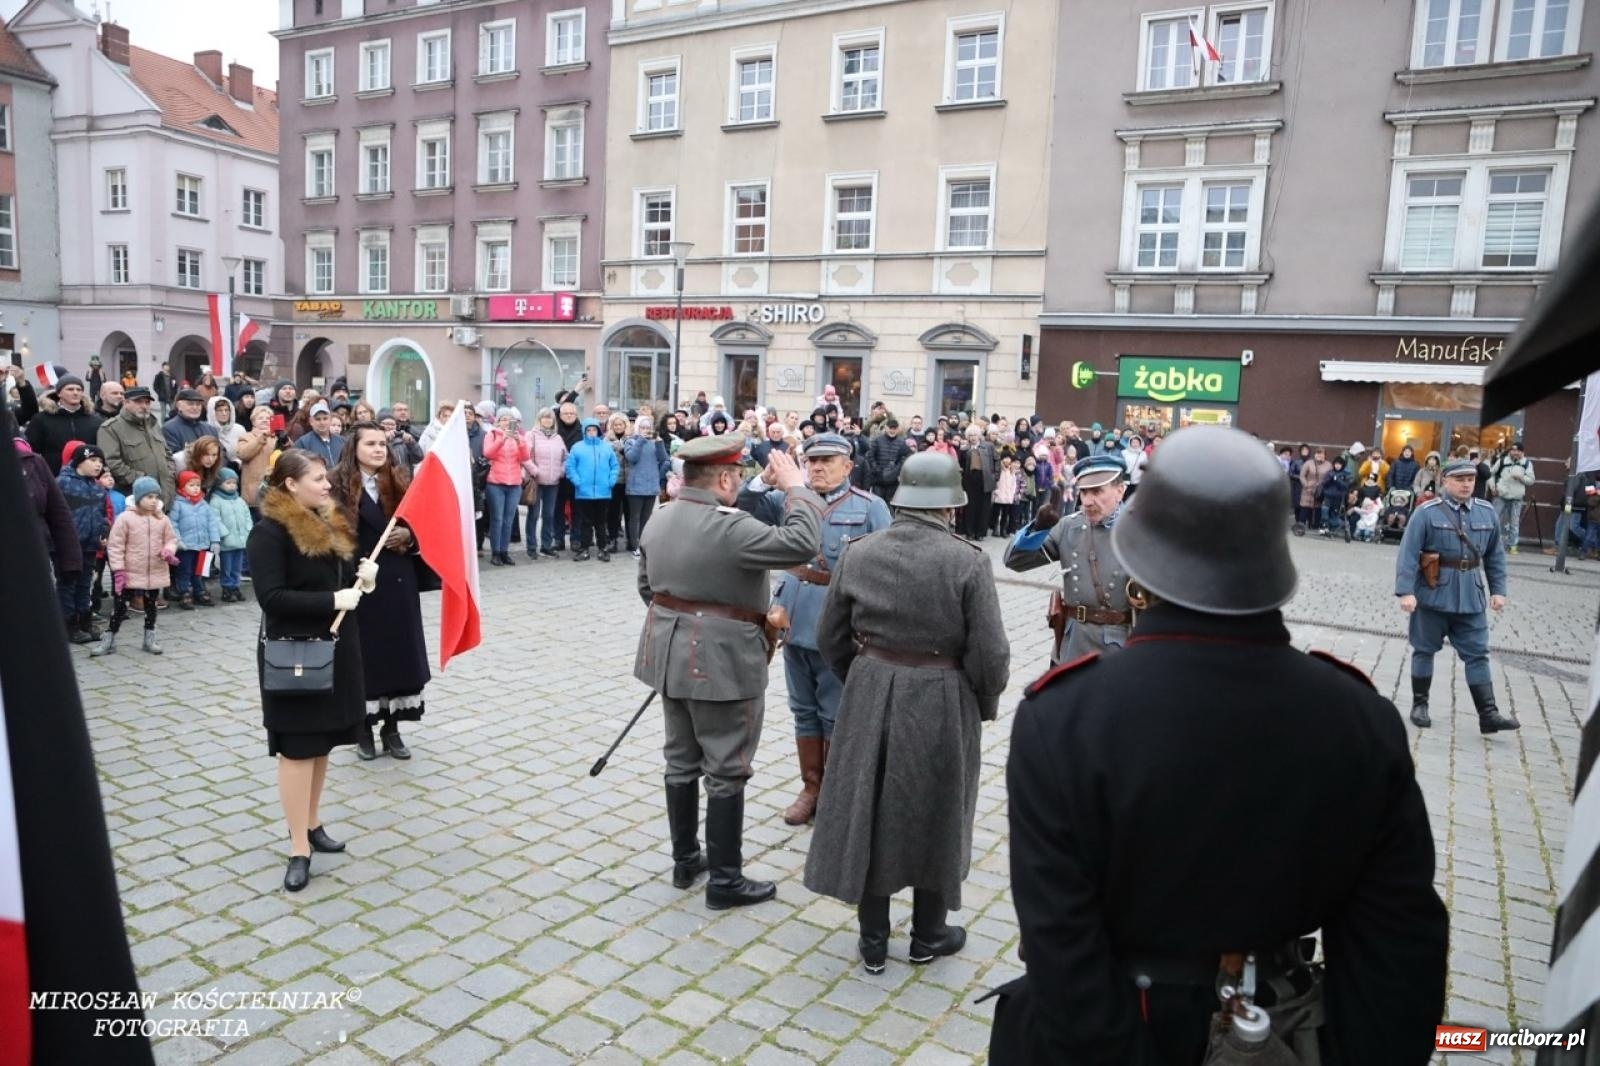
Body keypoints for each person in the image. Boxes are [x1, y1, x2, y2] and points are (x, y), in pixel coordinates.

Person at [988, 425, 1448, 1065]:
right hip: (1278, 1023)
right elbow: (1401, 952)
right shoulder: (1359, 719)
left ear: (1142, 555)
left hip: (1111, 1026)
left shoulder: (1062, 718)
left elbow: (1060, 944)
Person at [803, 452, 1009, 973]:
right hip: (942, 692)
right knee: (938, 809)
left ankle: (873, 940)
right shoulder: (969, 560)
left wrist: (866, 676)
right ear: (952, 506)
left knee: (868, 806)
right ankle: (928, 935)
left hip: (871, 685)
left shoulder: (859, 551)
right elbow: (991, 656)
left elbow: (830, 638)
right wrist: (981, 701)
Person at [635, 438, 822, 909]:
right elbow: (802, 542)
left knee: (680, 759)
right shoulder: (732, 527)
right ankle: (725, 881)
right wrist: (797, 487)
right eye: (737, 475)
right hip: (722, 665)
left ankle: (685, 861)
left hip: (668, 657)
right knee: (726, 769)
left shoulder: (660, 516)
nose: (739, 481)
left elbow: (647, 587)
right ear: (722, 479)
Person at [738, 433, 892, 826]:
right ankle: (811, 787)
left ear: (848, 466)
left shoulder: (870, 507)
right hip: (790, 620)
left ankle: (838, 792)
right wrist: (762, 480)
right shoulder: (789, 499)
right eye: (811, 460)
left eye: (827, 461)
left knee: (835, 713)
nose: (818, 467)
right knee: (803, 710)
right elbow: (741, 511)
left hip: (839, 627)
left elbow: (885, 571)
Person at [248, 449, 377, 892]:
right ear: (290, 484)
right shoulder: (270, 533)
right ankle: (297, 846)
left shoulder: (328, 524)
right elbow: (272, 598)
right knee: (298, 748)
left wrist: (362, 581)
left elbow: (336, 584)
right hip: (295, 654)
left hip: (335, 648)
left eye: (326, 478)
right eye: (318, 479)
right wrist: (331, 601)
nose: (327, 485)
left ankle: (313, 823)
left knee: (321, 744)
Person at [1395, 458, 1517, 733]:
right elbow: (1408, 552)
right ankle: (1420, 705)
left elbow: (1495, 556)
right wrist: (1405, 591)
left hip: (1471, 597)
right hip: (1433, 594)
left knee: (1478, 654)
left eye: (1470, 480)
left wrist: (1498, 590)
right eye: (1460, 479)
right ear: (1445, 481)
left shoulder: (1486, 513)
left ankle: (1488, 714)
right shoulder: (1427, 512)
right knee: (1424, 650)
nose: (1466, 484)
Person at [332, 423, 431, 761]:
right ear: (354, 447)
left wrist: (409, 537)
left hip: (397, 581)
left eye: (382, 444)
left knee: (397, 654)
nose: (378, 450)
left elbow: (423, 523)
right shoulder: (336, 485)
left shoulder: (401, 480)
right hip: (358, 580)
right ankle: (362, 728)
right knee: (363, 656)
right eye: (370, 443)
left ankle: (392, 727)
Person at [1004, 455, 1132, 664]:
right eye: (1083, 492)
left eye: (1097, 491)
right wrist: (1039, 528)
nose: (1088, 501)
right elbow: (1014, 561)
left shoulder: (1142, 530)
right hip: (1074, 643)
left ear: (1120, 490)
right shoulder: (1069, 526)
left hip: (1122, 645)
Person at [96, 476, 176, 656]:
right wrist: (118, 570)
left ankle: (149, 637)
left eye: (156, 497)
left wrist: (168, 551)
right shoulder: (125, 518)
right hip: (130, 573)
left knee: (151, 607)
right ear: (138, 497)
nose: (153, 501)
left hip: (154, 571)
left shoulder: (161, 519)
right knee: (120, 607)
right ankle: (109, 639)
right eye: (149, 497)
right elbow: (115, 546)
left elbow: (171, 539)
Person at [54, 442, 111, 644]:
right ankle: (68, 625)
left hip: (89, 545)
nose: (98, 465)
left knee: (84, 584)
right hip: (68, 546)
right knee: (68, 584)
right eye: (93, 460)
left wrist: (104, 531)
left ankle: (84, 620)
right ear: (79, 461)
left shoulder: (97, 488)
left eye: (101, 462)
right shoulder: (62, 483)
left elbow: (102, 514)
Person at [98, 386, 174, 507]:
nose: (144, 406)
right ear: (126, 402)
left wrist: (169, 476)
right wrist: (142, 480)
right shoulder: (111, 428)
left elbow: (167, 454)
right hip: (134, 499)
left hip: (164, 496)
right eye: (138, 402)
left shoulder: (153, 425)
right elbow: (112, 462)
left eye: (147, 402)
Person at [565, 417, 619, 562]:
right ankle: (584, 549)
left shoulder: (606, 447)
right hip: (584, 492)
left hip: (603, 492)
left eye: (594, 429)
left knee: (601, 522)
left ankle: (603, 549)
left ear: (598, 431)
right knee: (585, 522)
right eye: (588, 430)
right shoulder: (577, 447)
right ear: (584, 431)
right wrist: (577, 481)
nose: (591, 432)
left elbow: (614, 465)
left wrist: (611, 480)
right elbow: (570, 467)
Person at [26, 375, 104, 474]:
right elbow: (32, 450)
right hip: (53, 477)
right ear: (59, 393)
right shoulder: (41, 419)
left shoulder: (95, 421)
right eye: (70, 389)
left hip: (88, 479)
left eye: (79, 390)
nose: (75, 393)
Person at [483, 407, 530, 566]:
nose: (506, 423)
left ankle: (505, 551)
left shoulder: (520, 437)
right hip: (496, 482)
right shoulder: (492, 434)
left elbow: (525, 457)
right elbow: (488, 453)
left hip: (514, 483)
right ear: (498, 421)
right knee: (497, 518)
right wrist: (501, 439)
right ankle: (495, 552)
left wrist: (519, 441)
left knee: (508, 520)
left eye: (510, 420)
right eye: (503, 419)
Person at [169, 471, 220, 609]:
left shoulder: (203, 503)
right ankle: (185, 592)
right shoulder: (178, 504)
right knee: (184, 570)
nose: (196, 488)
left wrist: (214, 540)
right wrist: (178, 540)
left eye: (198, 485)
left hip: (203, 545)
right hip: (186, 546)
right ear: (182, 486)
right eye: (191, 485)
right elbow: (172, 524)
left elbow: (212, 522)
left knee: (200, 570)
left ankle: (200, 590)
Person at [523, 407, 568, 559]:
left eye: (550, 418)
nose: (547, 420)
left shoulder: (558, 438)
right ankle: (531, 546)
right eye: (544, 417)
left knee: (549, 515)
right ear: (539, 419)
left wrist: (561, 471)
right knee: (534, 515)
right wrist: (535, 471)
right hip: (536, 481)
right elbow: (524, 456)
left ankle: (546, 546)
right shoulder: (531, 435)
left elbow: (566, 458)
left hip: (553, 482)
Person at [623, 415, 670, 556]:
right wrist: (641, 440)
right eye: (642, 427)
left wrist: (660, 443)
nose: (645, 430)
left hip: (651, 486)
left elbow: (664, 460)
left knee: (646, 517)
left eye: (648, 427)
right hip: (635, 486)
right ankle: (634, 545)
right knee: (635, 517)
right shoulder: (630, 441)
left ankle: (643, 544)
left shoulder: (654, 443)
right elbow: (632, 458)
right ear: (637, 428)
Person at [210, 467, 254, 603]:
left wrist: (248, 529)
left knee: (237, 566)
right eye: (228, 483)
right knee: (227, 567)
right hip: (227, 541)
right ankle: (227, 588)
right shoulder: (216, 501)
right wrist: (224, 533)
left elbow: (247, 515)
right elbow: (215, 519)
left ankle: (235, 586)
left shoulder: (240, 500)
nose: (232, 486)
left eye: (234, 483)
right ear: (219, 484)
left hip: (240, 540)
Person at [1491, 441, 1534, 554]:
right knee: (1494, 520)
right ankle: (1493, 544)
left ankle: (1512, 546)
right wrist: (1493, 487)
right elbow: (1491, 474)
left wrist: (1521, 478)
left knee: (1514, 523)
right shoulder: (1502, 461)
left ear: (1522, 452)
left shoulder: (1527, 463)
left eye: (1517, 450)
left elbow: (1531, 481)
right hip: (1501, 495)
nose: (1514, 452)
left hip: (1516, 497)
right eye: (1513, 450)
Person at [958, 425, 997, 539]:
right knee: (970, 507)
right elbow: (961, 465)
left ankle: (980, 533)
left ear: (979, 435)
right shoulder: (965, 450)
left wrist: (995, 476)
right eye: (970, 435)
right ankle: (970, 532)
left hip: (985, 479)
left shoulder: (988, 446)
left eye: (975, 435)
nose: (973, 437)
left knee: (984, 507)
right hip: (970, 480)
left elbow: (996, 460)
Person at [162, 388, 218, 456]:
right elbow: (173, 458)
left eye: (198, 404)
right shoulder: (169, 429)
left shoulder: (210, 429)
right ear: (179, 405)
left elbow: (220, 453)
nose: (195, 407)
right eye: (190, 404)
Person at [294, 402, 345, 466]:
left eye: (325, 418)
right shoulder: (303, 443)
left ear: (330, 420)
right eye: (318, 419)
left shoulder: (342, 441)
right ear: (311, 421)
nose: (322, 422)